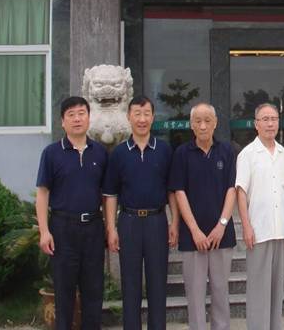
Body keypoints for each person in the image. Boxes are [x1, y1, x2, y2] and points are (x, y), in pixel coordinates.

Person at [103, 95, 179, 330]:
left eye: (146, 114)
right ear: (129, 117)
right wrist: (111, 228)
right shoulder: (119, 153)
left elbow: (172, 191)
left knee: (158, 285)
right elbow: (110, 194)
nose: (142, 119)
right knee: (130, 285)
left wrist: (174, 223)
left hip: (157, 221)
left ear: (153, 117)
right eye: (137, 114)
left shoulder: (164, 150)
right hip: (129, 222)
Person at [35, 96, 108, 330]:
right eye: (71, 115)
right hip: (63, 230)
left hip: (93, 229)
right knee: (64, 293)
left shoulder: (100, 153)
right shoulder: (51, 153)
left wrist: (110, 227)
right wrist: (44, 231)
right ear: (62, 122)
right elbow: (43, 193)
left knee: (94, 291)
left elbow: (107, 195)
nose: (77, 119)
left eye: (81, 113)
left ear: (89, 117)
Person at [169, 103, 236, 330]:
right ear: (191, 125)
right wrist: (195, 230)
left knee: (221, 292)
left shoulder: (227, 151)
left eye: (207, 120)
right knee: (195, 294)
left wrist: (222, 225)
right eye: (198, 121)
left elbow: (232, 189)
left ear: (215, 123)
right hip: (192, 237)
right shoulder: (182, 153)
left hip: (222, 235)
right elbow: (179, 192)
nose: (203, 125)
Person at [235, 103, 284, 330]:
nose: (270, 124)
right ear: (256, 124)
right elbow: (241, 192)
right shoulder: (247, 154)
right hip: (259, 231)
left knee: (277, 290)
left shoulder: (283, 154)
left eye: (274, 119)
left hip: (280, 230)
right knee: (258, 291)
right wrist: (246, 226)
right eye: (265, 119)